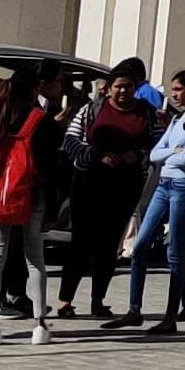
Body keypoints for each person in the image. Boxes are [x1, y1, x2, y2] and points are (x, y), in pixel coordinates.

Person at [54, 61, 155, 320]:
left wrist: (140, 156)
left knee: (109, 244)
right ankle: (65, 300)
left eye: (129, 87)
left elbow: (160, 143)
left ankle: (98, 300)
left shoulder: (148, 113)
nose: (123, 92)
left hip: (125, 186)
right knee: (81, 242)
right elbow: (70, 140)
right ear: (108, 89)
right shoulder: (91, 110)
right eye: (118, 87)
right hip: (89, 183)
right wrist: (95, 155)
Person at [113, 71, 185, 336]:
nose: (175, 95)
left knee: (175, 253)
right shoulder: (178, 119)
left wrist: (175, 154)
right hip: (163, 184)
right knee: (140, 244)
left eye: (179, 89)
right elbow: (157, 153)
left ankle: (170, 316)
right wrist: (173, 151)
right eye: (173, 89)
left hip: (182, 187)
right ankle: (134, 309)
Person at [0, 72, 52, 346]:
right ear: (33, 92)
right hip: (33, 195)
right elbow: (54, 165)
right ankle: (40, 326)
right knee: (35, 258)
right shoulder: (41, 120)